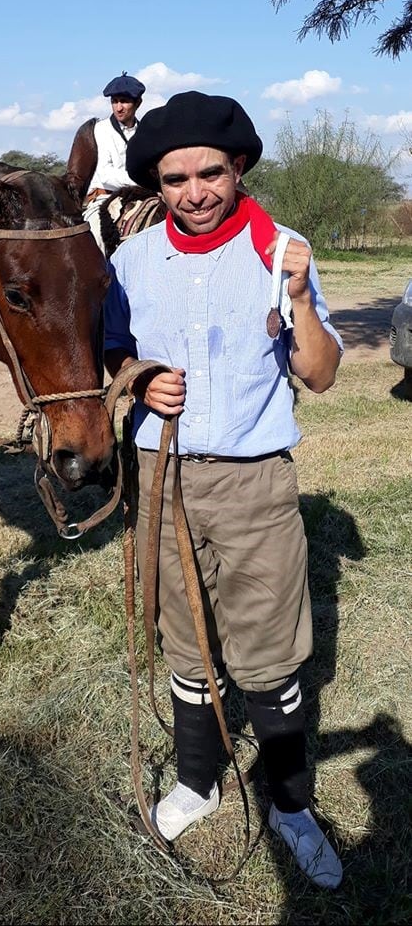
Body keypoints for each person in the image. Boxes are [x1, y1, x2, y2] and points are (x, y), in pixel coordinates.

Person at [103, 91, 344, 889]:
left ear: (237, 168)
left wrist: (302, 299)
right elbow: (108, 357)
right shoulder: (129, 262)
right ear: (156, 184)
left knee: (269, 652)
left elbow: (321, 372)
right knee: (183, 637)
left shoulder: (282, 250)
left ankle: (289, 804)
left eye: (210, 172)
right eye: (175, 179)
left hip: (253, 481)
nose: (194, 191)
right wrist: (137, 381)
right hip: (160, 476)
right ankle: (197, 783)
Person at [83, 72, 145, 248]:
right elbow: (106, 174)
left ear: (138, 103)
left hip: (141, 196)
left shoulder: (145, 132)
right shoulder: (100, 130)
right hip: (104, 197)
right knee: (98, 237)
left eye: (124, 101)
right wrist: (143, 182)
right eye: (115, 101)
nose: (119, 108)